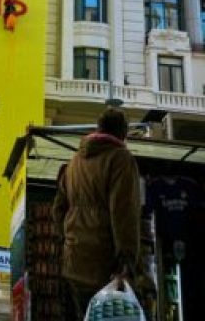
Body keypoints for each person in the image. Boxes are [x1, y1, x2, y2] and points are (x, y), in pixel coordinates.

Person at [52, 108, 141, 321]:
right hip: (103, 264)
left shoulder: (74, 161)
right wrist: (127, 260)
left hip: (74, 262)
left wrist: (68, 241)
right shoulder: (120, 158)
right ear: (123, 133)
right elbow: (123, 212)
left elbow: (58, 209)